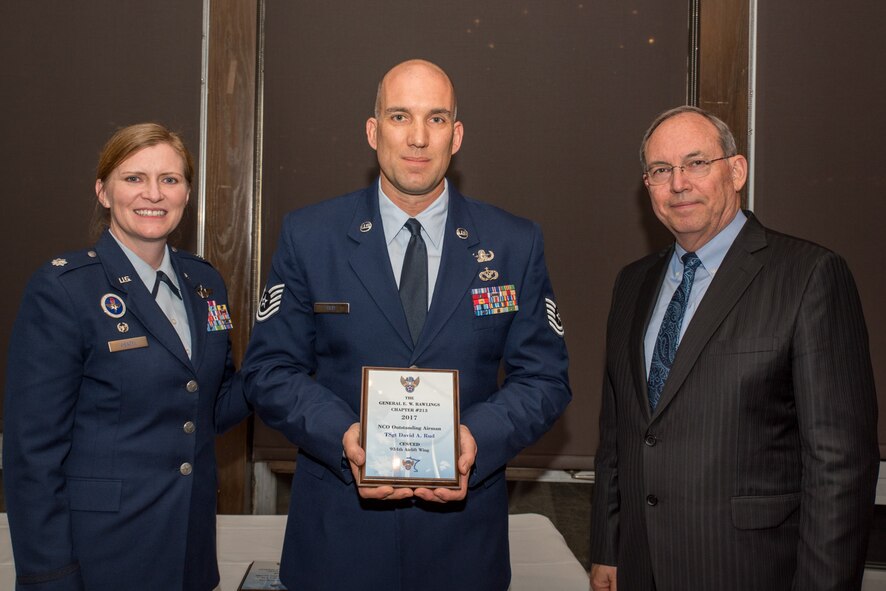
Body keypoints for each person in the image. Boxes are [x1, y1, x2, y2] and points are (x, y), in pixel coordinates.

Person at [240, 59, 571, 590]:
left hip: (464, 548)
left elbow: (545, 379)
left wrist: (474, 440)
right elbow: (269, 370)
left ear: (456, 135)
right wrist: (344, 435)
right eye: (400, 116)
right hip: (336, 543)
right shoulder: (311, 235)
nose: (418, 138)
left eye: (436, 119)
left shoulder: (513, 242)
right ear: (373, 131)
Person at [589, 105, 879, 590]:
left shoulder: (808, 276)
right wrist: (607, 548)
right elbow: (617, 435)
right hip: (640, 568)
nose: (679, 183)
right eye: (662, 170)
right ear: (648, 187)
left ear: (737, 171)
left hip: (752, 570)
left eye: (697, 163)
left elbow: (840, 467)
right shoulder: (632, 284)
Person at [3, 123, 250, 591]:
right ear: (103, 191)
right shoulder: (64, 290)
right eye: (134, 178)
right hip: (100, 557)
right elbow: (32, 456)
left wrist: (279, 358)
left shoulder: (205, 285)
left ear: (187, 192)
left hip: (188, 554)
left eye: (170, 179)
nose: (153, 194)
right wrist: (49, 577)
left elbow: (210, 407)